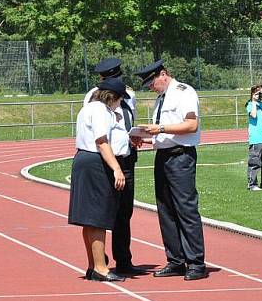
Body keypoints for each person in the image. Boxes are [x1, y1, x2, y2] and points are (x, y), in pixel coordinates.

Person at [135, 59, 207, 281]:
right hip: (164, 156)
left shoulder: (184, 92)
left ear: (163, 74)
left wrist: (161, 128)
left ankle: (195, 262)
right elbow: (164, 136)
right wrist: (144, 139)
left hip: (181, 157)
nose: (150, 87)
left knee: (185, 209)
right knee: (165, 210)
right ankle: (175, 260)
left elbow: (191, 125)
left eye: (151, 82)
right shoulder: (161, 98)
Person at [84, 58, 145, 276]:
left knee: (124, 212)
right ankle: (99, 260)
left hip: (127, 157)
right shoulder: (95, 97)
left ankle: (123, 259)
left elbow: (127, 122)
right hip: (107, 159)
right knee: (102, 211)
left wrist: (135, 137)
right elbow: (99, 133)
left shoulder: (128, 94)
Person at [68, 77, 129, 282]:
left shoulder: (88, 108)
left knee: (89, 218)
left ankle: (93, 265)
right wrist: (117, 169)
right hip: (95, 163)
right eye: (120, 100)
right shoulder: (101, 111)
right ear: (113, 97)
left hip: (84, 160)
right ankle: (101, 268)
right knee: (97, 217)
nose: (119, 104)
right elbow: (102, 142)